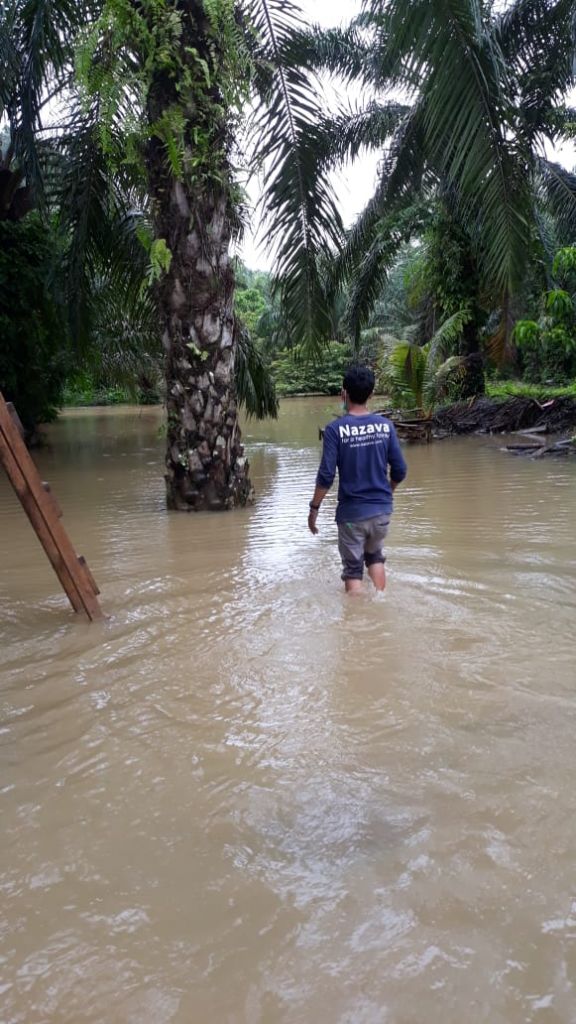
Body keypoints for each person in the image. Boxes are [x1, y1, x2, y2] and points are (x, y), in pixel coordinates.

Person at [308, 365, 407, 594]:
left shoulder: (334, 430)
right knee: (375, 557)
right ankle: (381, 603)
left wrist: (314, 509)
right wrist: (387, 492)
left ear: (344, 393)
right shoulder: (386, 426)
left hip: (352, 515)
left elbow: (326, 475)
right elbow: (400, 470)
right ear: (371, 394)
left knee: (353, 570)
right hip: (382, 512)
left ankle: (359, 623)